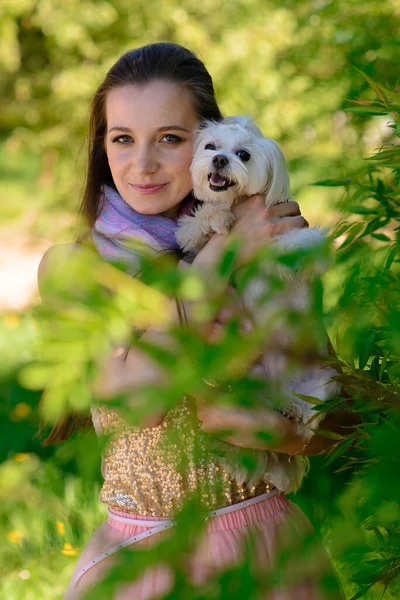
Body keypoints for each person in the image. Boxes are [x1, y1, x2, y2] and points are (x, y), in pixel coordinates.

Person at [39, 42, 348, 599]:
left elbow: (336, 414)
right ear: (101, 147)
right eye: (123, 139)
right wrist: (225, 252)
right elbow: (141, 397)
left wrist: (280, 432)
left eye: (171, 139)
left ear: (211, 141)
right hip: (142, 564)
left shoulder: (270, 249)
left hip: (265, 550)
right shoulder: (75, 266)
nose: (143, 165)